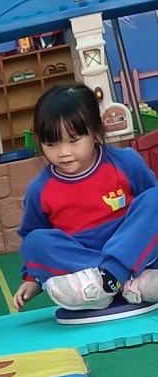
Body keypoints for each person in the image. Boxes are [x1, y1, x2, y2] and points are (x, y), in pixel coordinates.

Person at [14, 83, 158, 314]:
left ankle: (116, 276)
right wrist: (33, 279)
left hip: (131, 251)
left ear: (95, 131)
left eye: (73, 140)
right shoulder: (39, 189)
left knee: (155, 198)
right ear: (39, 141)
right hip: (83, 263)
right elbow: (36, 239)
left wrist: (120, 263)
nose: (64, 152)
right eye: (51, 143)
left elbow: (150, 211)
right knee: (35, 241)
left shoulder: (125, 162)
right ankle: (124, 283)